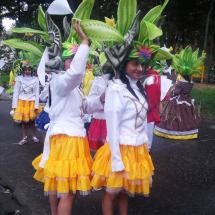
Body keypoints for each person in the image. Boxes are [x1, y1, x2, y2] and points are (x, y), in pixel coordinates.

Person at [32, 20, 105, 215]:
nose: (74, 63)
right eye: (69, 59)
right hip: (68, 140)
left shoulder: (74, 88)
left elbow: (86, 107)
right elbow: (75, 73)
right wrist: (84, 42)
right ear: (62, 62)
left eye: (76, 59)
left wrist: (102, 99)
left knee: (58, 183)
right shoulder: (61, 82)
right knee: (69, 192)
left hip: (68, 139)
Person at [154, 46, 204, 139]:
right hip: (187, 100)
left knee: (174, 116)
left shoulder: (181, 82)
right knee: (186, 116)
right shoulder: (190, 83)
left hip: (178, 100)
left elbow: (177, 92)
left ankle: (173, 131)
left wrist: (173, 90)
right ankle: (188, 132)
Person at [12, 61, 41, 145]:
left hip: (32, 101)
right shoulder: (19, 79)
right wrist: (15, 105)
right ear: (23, 70)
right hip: (22, 103)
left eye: (29, 70)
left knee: (32, 121)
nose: (27, 71)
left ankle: (34, 136)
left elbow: (37, 93)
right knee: (24, 121)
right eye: (26, 69)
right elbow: (16, 93)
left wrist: (36, 105)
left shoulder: (35, 80)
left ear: (31, 70)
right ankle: (24, 138)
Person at [87, 73, 110, 151]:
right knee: (98, 152)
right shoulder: (99, 81)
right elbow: (90, 101)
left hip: (116, 122)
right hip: (100, 120)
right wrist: (101, 100)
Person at [35, 74, 51, 143]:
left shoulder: (49, 85)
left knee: (46, 132)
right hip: (61, 113)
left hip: (49, 111)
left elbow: (42, 97)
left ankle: (46, 151)